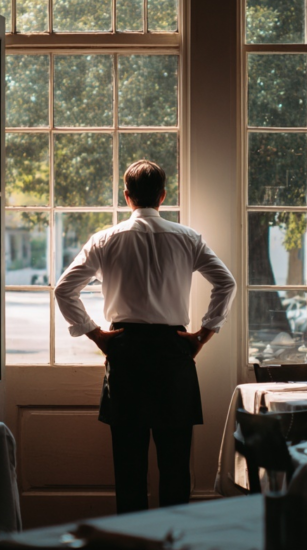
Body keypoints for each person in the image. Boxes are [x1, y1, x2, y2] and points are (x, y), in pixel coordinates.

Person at [54, 159, 236, 514]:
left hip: (127, 353)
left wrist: (96, 335)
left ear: (127, 196)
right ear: (163, 195)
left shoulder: (105, 239)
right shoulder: (188, 238)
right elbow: (225, 283)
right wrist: (202, 335)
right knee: (175, 468)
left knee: (129, 469)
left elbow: (64, 290)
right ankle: (175, 540)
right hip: (173, 353)